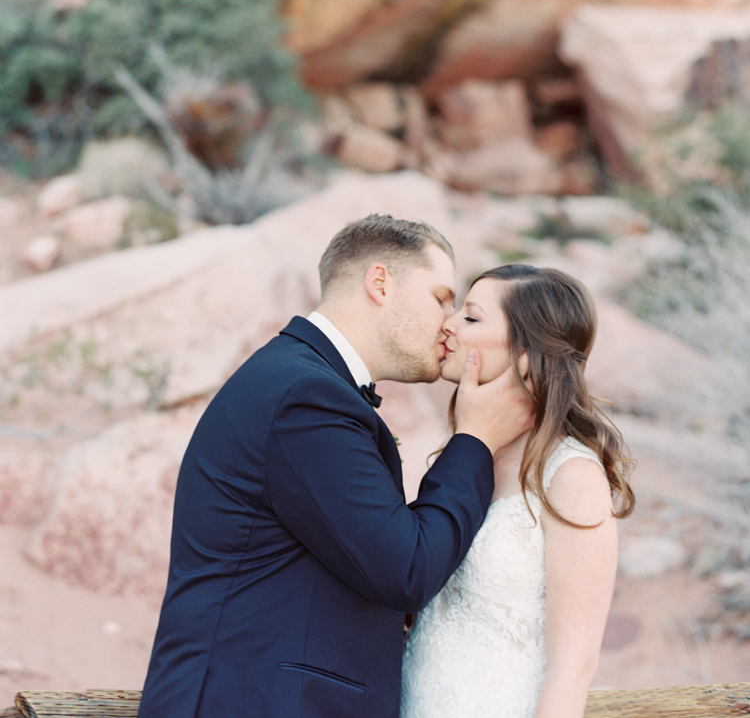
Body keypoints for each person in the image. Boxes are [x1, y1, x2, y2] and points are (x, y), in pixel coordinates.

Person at [138, 216, 534, 718]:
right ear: (380, 283)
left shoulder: (302, 381)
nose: (450, 323)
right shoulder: (307, 398)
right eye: (440, 298)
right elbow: (405, 569)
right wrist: (475, 441)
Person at [401, 264, 635, 718]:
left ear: (527, 351)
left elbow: (573, 666)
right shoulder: (466, 456)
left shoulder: (571, 475)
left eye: (470, 317)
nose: (447, 323)